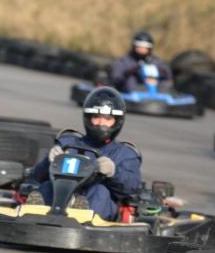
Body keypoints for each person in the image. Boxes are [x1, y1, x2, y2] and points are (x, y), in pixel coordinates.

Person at [26, 86, 142, 221]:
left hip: (97, 209)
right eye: (96, 117)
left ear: (117, 121)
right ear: (88, 118)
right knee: (46, 186)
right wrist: (48, 161)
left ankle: (82, 213)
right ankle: (34, 212)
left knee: (100, 191)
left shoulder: (124, 153)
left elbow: (131, 188)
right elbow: (37, 176)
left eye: (107, 119)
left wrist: (114, 173)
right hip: (60, 195)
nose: (101, 123)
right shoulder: (67, 142)